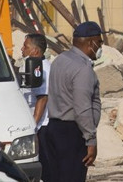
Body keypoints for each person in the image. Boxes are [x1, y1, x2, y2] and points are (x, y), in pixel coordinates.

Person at [43, 21, 103, 182]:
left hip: (54, 128)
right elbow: (82, 108)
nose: (100, 46)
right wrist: (91, 140)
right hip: (73, 133)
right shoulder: (82, 69)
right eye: (99, 42)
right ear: (91, 43)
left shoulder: (60, 60)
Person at [20, 33, 51, 178]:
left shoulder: (41, 69)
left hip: (40, 127)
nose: (22, 49)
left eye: (25, 46)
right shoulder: (32, 66)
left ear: (35, 51)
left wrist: (32, 127)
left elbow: (42, 98)